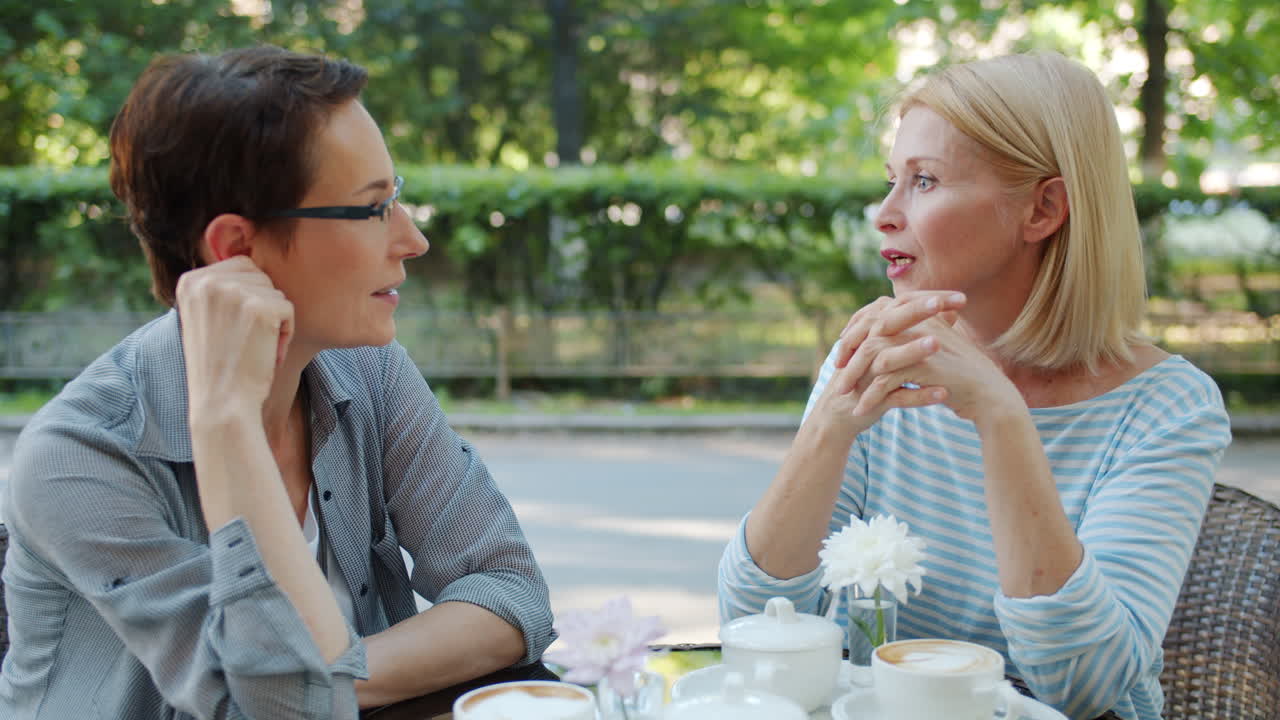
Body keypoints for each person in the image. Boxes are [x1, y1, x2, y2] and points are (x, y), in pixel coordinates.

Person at [0, 46, 555, 719]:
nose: (411, 239)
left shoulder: (365, 369)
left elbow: (511, 591)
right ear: (236, 248)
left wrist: (324, 680)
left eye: (397, 197)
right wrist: (227, 422)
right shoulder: (80, 458)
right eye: (372, 208)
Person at [718, 52, 1231, 720]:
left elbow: (1083, 688)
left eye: (924, 181)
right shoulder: (879, 360)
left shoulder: (1167, 409)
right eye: (891, 180)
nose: (884, 214)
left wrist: (1000, 415)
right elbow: (755, 625)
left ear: (1043, 209)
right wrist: (830, 421)